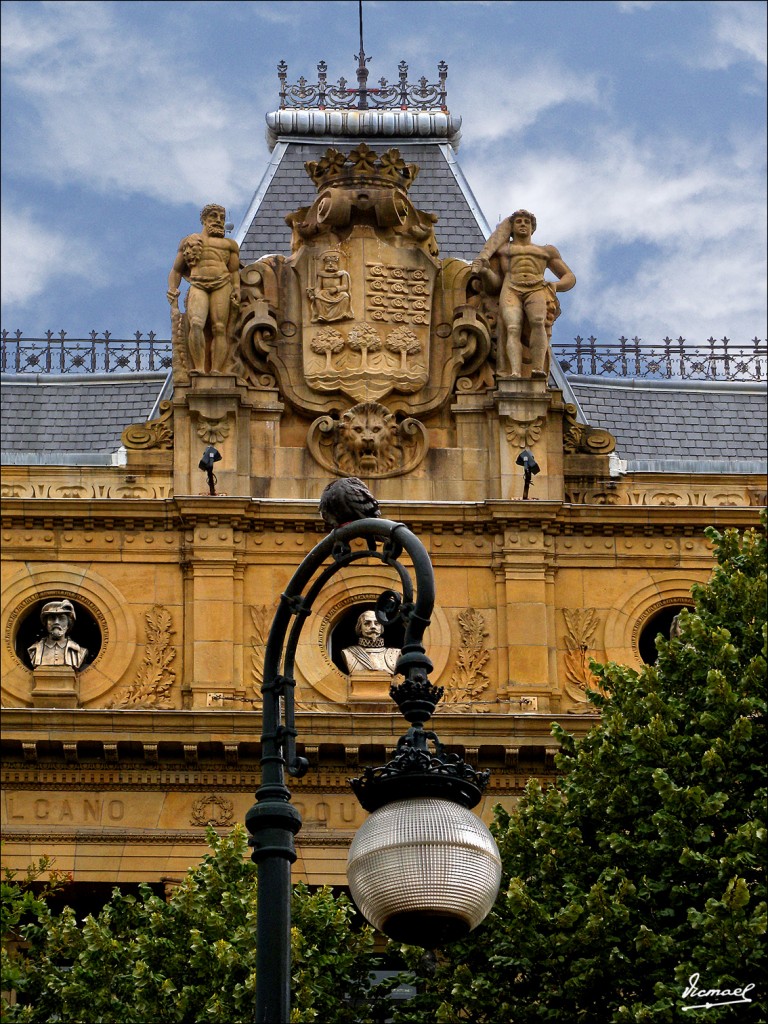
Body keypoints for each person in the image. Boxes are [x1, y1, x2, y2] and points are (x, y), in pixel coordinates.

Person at [471, 209, 575, 379]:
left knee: (538, 322)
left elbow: (569, 277)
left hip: (537, 288)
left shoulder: (546, 251)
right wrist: (485, 272)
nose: (523, 225)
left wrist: (555, 286)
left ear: (533, 228)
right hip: (511, 287)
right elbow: (495, 285)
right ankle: (514, 372)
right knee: (512, 328)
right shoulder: (502, 250)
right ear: (511, 227)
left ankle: (537, 369)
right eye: (518, 221)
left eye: (527, 222)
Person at [167, 204, 241, 374]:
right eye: (214, 216)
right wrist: (173, 288)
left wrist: (236, 288)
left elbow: (234, 271)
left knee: (220, 328)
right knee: (196, 323)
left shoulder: (230, 245)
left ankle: (216, 370)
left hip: (222, 284)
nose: (218, 220)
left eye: (222, 217)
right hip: (198, 283)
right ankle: (199, 367)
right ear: (204, 219)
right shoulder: (190, 241)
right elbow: (176, 270)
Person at [28, 599, 87, 670]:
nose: (56, 622)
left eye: (62, 618)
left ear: (68, 624)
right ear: (46, 624)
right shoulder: (34, 649)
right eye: (52, 618)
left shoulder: (79, 651)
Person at [341, 610, 400, 674]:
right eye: (367, 623)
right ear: (360, 628)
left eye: (377, 623)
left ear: (381, 627)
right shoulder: (349, 653)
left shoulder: (395, 653)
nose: (373, 627)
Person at [308, 251, 353, 323]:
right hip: (325, 293)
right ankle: (322, 315)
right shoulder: (321, 274)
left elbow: (345, 286)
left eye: (333, 263)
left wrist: (336, 289)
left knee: (345, 295)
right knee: (318, 297)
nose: (330, 264)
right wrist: (316, 293)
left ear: (336, 264)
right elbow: (318, 287)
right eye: (328, 263)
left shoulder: (342, 274)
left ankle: (342, 314)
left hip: (337, 293)